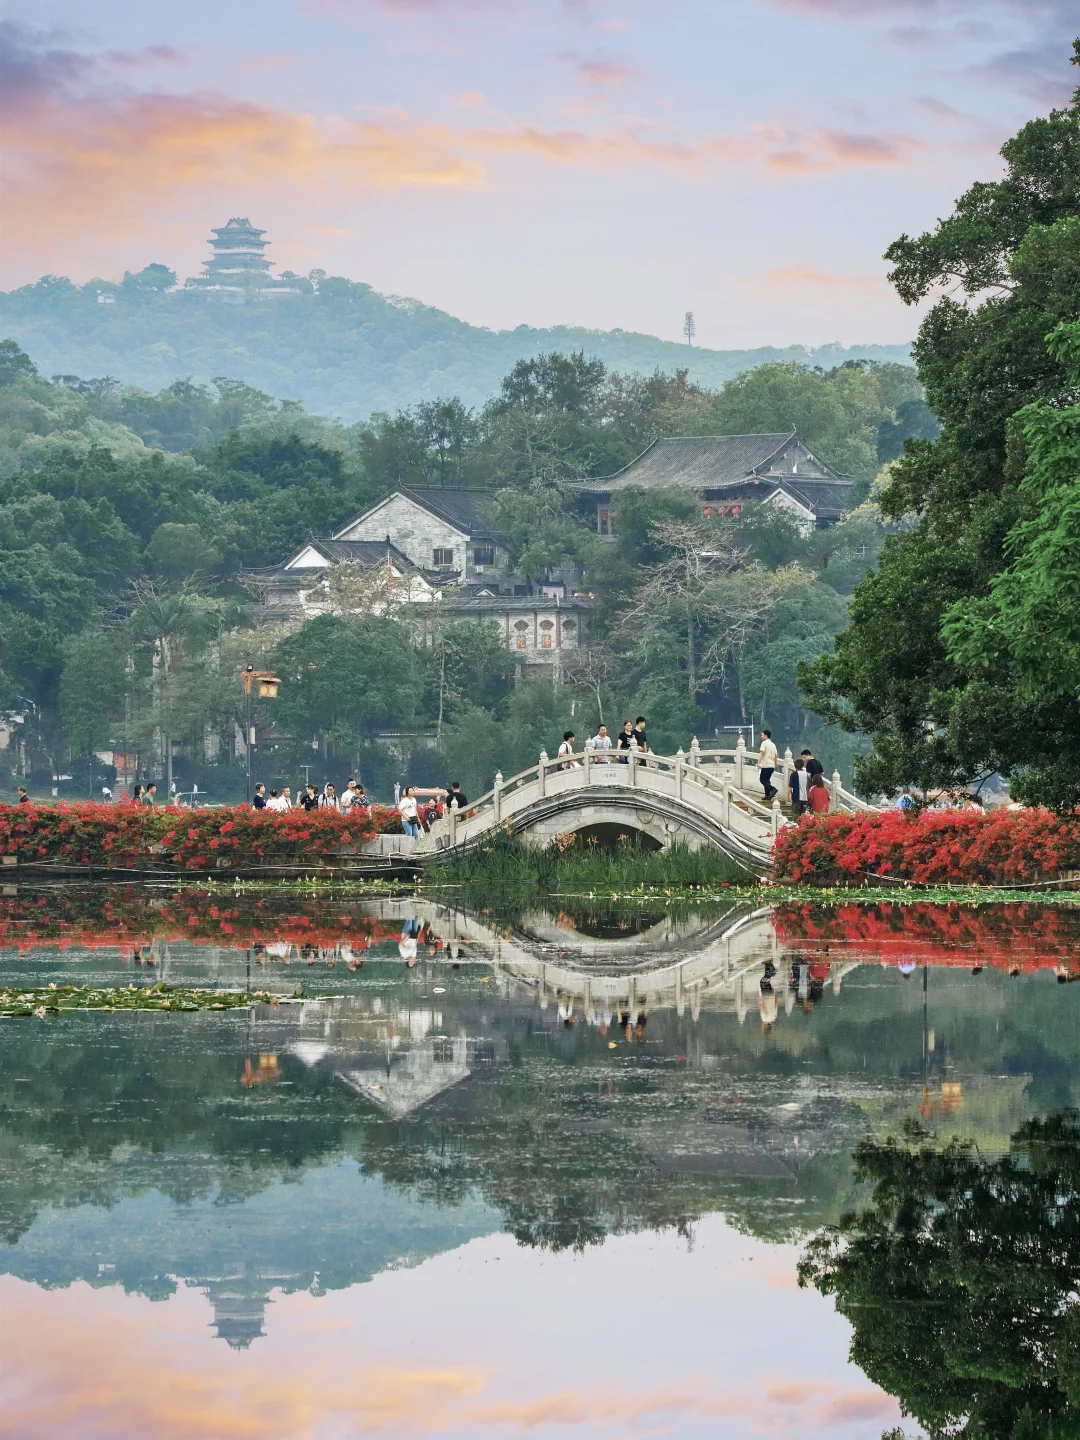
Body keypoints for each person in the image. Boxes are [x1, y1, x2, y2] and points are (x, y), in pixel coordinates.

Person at [758, 729, 778, 801]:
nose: (761, 736)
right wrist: (774, 765)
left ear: (766, 736)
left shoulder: (764, 743)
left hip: (766, 765)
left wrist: (759, 762)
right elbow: (776, 756)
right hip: (771, 766)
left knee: (762, 780)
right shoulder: (773, 744)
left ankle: (773, 789)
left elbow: (762, 753)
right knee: (767, 780)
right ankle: (767, 795)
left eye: (762, 735)